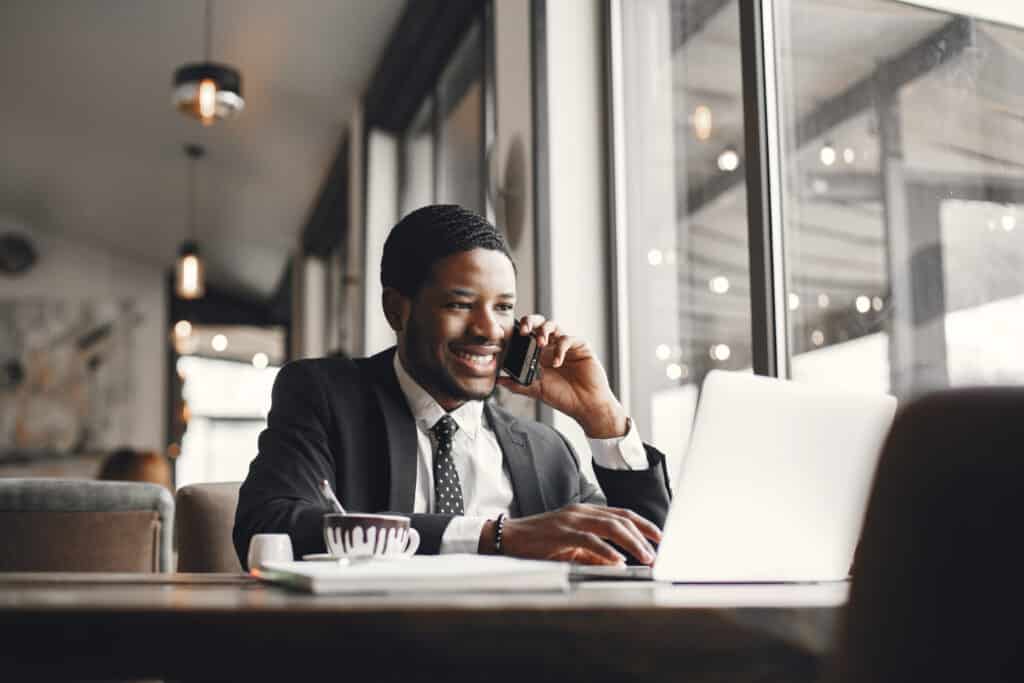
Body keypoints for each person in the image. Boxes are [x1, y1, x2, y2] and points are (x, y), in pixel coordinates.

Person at [233, 205, 671, 568]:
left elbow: (650, 554)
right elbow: (268, 526)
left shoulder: (546, 449)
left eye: (504, 308)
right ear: (397, 310)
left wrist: (603, 418)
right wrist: (494, 536)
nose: (488, 329)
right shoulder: (327, 397)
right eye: (460, 305)